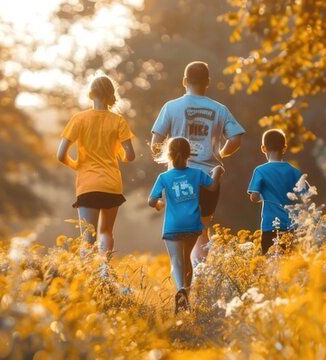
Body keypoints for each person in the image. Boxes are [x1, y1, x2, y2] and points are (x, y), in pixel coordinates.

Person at [150, 61, 245, 265]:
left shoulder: (171, 107)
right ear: (208, 82)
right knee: (202, 231)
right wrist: (219, 153)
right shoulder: (219, 109)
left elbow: (155, 143)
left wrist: (170, 158)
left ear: (185, 81)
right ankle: (200, 276)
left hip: (178, 179)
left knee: (180, 231)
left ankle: (184, 283)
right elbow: (236, 139)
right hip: (208, 178)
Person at [57, 75, 135, 257]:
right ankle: (103, 272)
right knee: (106, 232)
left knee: (87, 238)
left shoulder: (79, 119)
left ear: (91, 94)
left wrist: (76, 165)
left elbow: (60, 155)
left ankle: (87, 277)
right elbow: (130, 156)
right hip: (111, 184)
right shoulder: (118, 121)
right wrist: (120, 156)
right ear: (111, 95)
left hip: (87, 184)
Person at [148, 137, 224, 314]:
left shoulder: (164, 177)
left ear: (169, 155)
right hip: (192, 224)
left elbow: (151, 200)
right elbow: (212, 187)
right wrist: (218, 171)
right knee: (187, 257)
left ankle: (179, 290)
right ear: (190, 154)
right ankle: (186, 291)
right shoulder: (196, 173)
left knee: (176, 261)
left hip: (173, 226)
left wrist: (159, 204)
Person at [247, 129, 304, 254]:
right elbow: (306, 194)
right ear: (284, 148)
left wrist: (264, 196)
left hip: (270, 225)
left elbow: (254, 197)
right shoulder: (293, 171)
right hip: (291, 226)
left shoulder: (260, 171)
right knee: (290, 261)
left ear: (263, 148)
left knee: (270, 261)